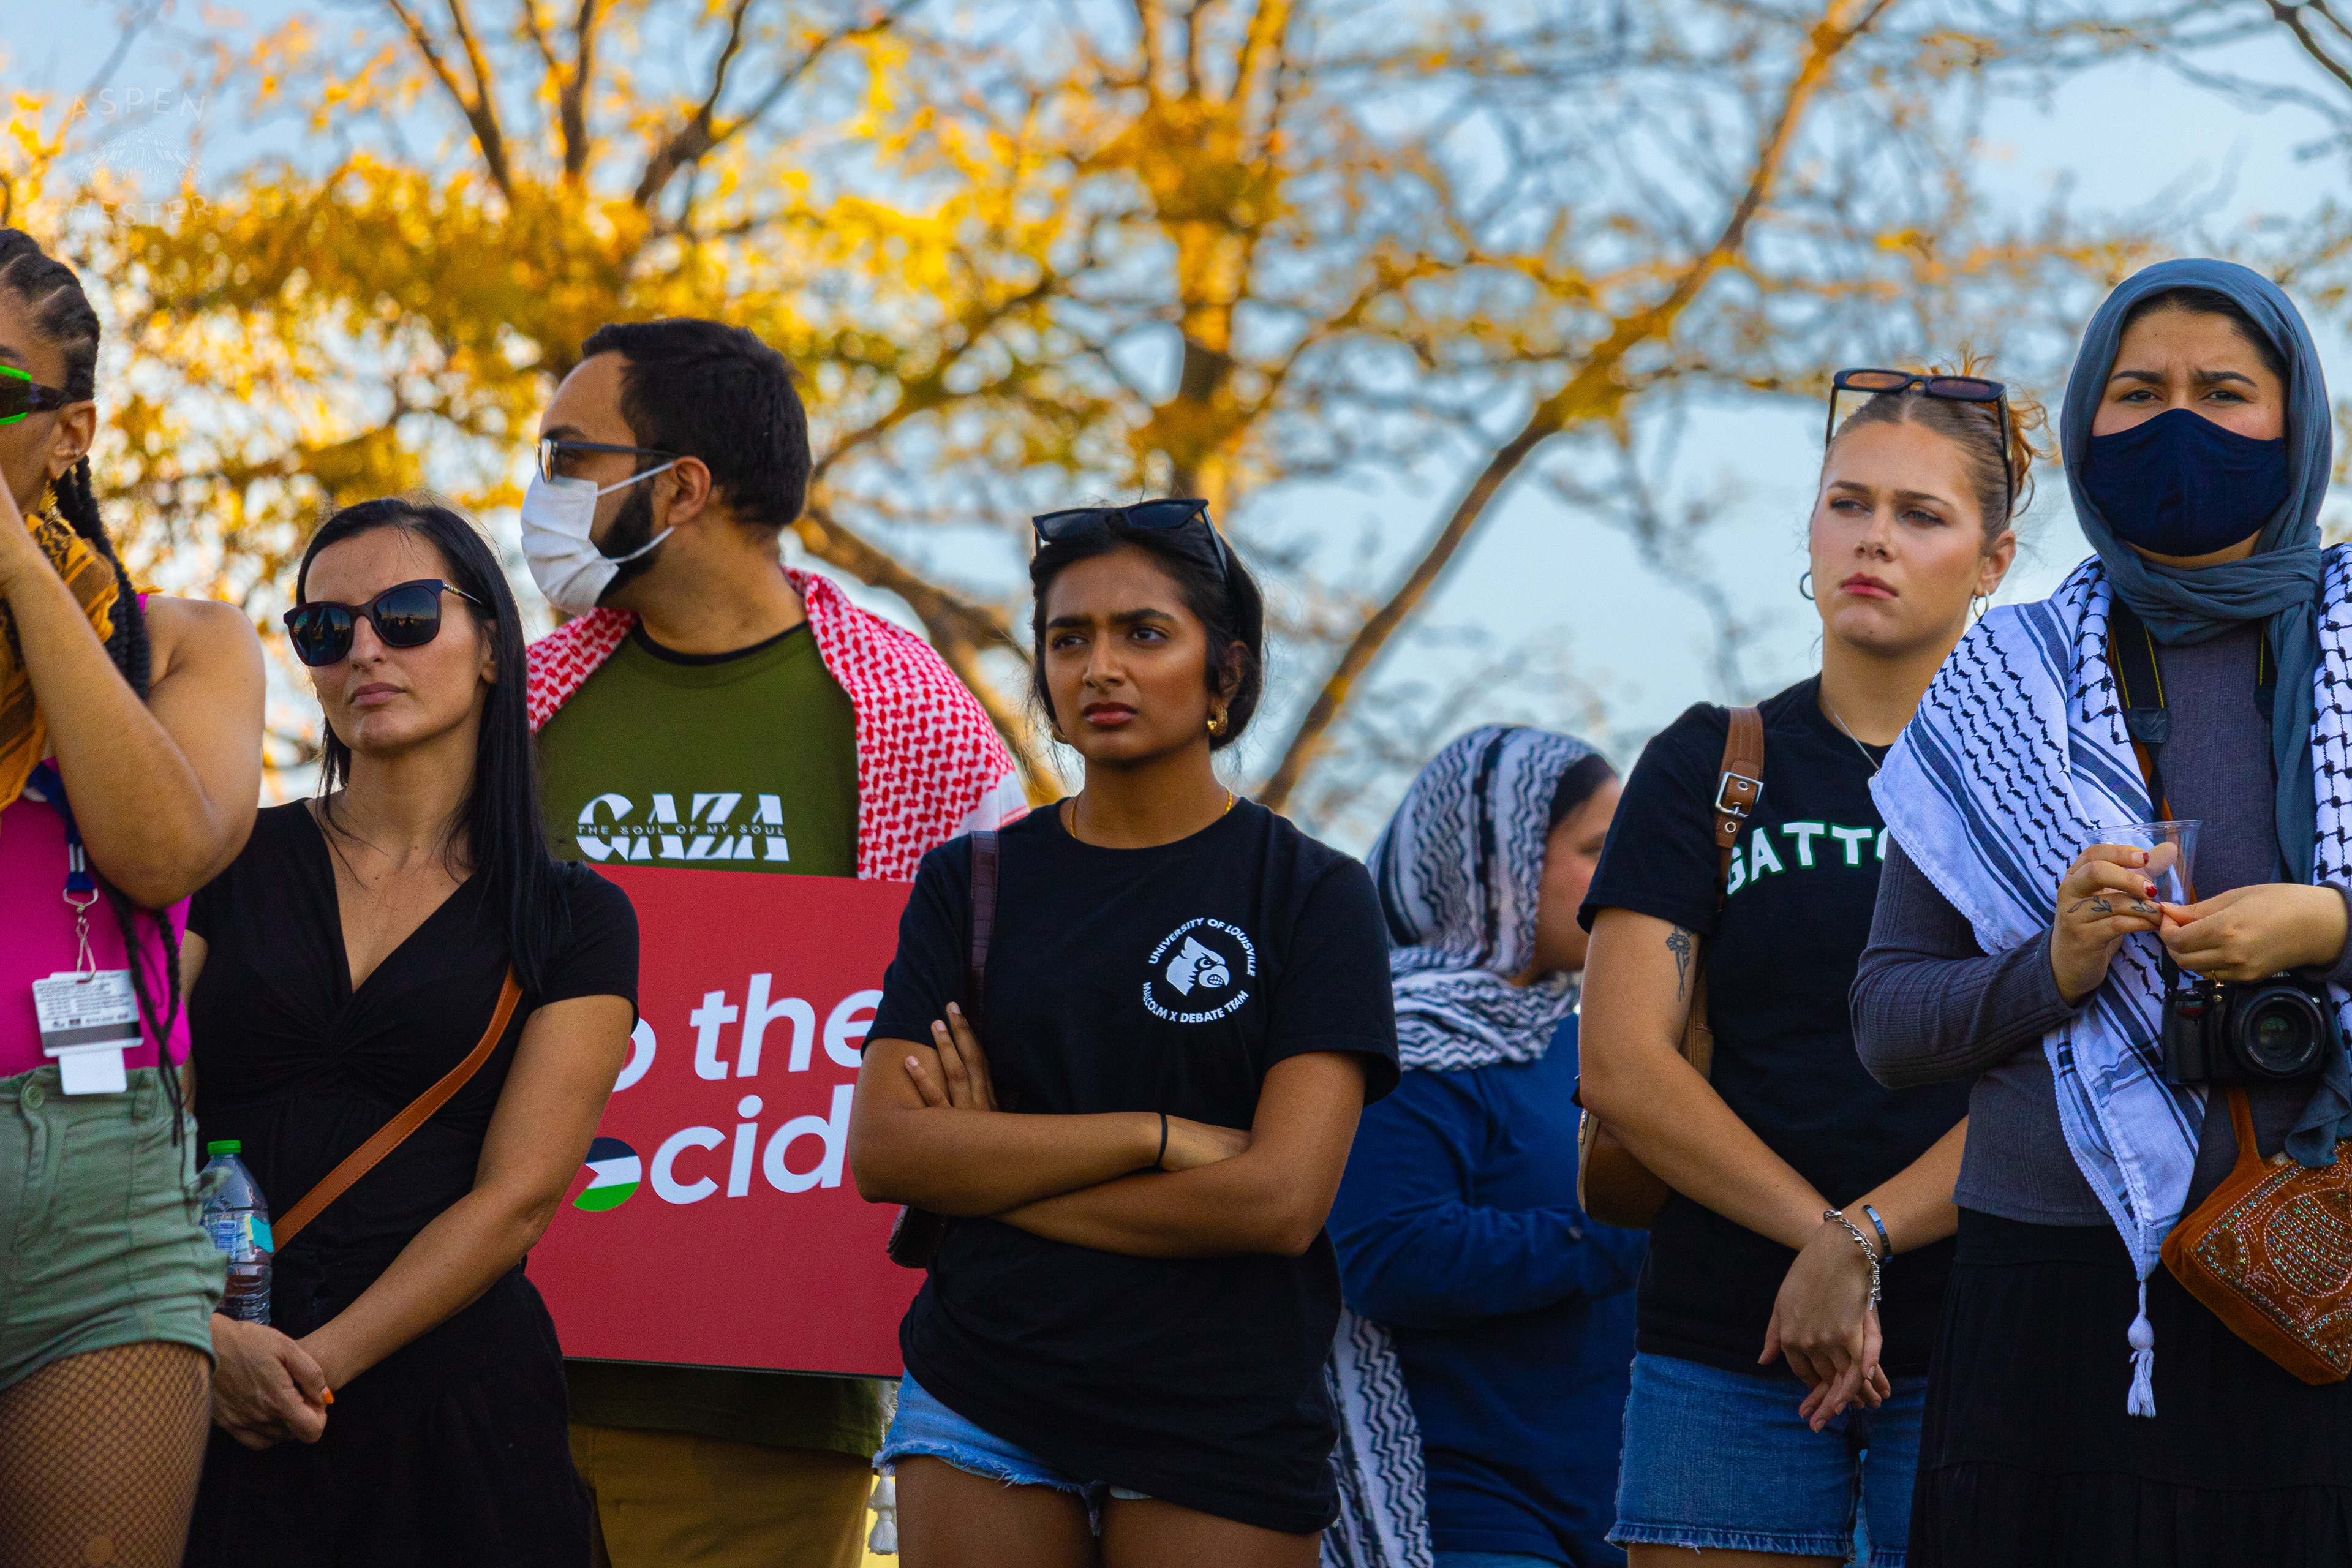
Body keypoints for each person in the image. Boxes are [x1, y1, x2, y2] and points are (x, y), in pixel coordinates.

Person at [1856, 262, 2352, 1565]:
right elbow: (1889, 1023)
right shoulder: (1995, 681)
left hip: (2329, 1269)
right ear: (2085, 423)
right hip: (2055, 1298)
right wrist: (2055, 963)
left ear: (2298, 424)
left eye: (2223, 391)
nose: (2178, 421)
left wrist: (2329, 929)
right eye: (2139, 393)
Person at [522, 316, 1023, 1568]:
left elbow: (998, 1033)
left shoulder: (920, 731)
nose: (542, 491)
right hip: (498, 1376)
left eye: (570, 456)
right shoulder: (509, 713)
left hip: (769, 1412)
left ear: (681, 487)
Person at [849, 499, 1400, 1566]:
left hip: (1220, 1409)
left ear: (1226, 673)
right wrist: (1155, 1135)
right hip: (983, 1390)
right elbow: (889, 1151)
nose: (1101, 667)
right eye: (1069, 639)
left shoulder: (1312, 894)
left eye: (1145, 633)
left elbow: (1279, 1201)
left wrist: (992, 1170)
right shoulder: (972, 882)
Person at [1578, 361, 2040, 1566]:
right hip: (1729, 1346)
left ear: (1991, 561)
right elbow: (1623, 1064)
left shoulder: (2047, 789)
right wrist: (1826, 1245)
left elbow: (2068, 1071)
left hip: (1989, 1336)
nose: (1873, 538)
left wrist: (1866, 1240)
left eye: (1921, 514)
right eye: (1849, 503)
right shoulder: (1711, 763)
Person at [180, 498, 639, 1566]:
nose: (365, 651)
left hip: (452, 1413)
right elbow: (141, 1128)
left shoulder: (574, 916)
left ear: (491, 646)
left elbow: (518, 1199)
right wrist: (211, 1344)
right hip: (205, 1377)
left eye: (406, 615)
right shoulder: (225, 859)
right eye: (324, 629)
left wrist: (312, 1367)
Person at [0, 230, 265, 1568]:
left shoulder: (188, 643)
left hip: (94, 1190)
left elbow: (165, 852)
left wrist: (15, 570)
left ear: (70, 432)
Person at [1327, 726, 1646, 1568]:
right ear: (1492, 868)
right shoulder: (1397, 1038)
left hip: (1617, 1495)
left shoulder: (1590, 1040)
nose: (1625, 873)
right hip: (1464, 1502)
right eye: (1594, 849)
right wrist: (1627, 1238)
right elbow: (1388, 1252)